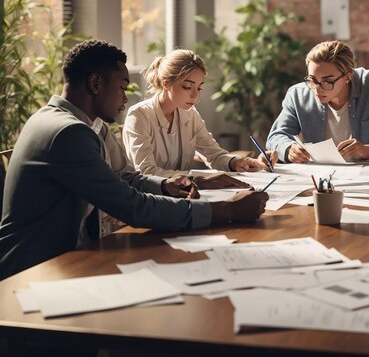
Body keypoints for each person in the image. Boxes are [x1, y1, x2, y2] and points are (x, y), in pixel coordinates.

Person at [0, 40, 268, 281]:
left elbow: (128, 178)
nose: (125, 100)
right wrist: (227, 211)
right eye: (121, 88)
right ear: (95, 84)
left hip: (72, 256)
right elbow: (131, 207)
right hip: (35, 269)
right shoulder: (68, 132)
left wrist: (165, 186)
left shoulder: (92, 126)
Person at [123, 50, 277, 187]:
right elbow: (146, 172)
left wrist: (235, 162)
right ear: (166, 83)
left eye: (199, 87)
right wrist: (199, 179)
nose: (195, 95)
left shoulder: (189, 113)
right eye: (187, 87)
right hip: (147, 202)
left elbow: (215, 155)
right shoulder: (139, 115)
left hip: (184, 196)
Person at [267, 40, 369, 163]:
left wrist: (368, 150)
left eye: (328, 81)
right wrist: (288, 149)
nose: (317, 89)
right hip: (319, 178)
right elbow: (276, 137)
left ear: (348, 77)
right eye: (312, 80)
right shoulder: (297, 94)